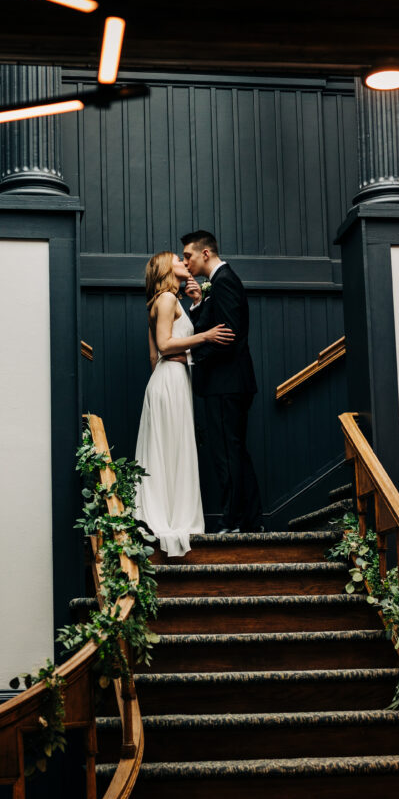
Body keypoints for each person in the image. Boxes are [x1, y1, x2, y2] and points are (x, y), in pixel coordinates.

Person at [135, 251, 235, 557]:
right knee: (173, 447)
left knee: (168, 448)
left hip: (167, 380)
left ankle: (166, 512)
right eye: (177, 259)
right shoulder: (165, 299)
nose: (183, 260)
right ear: (167, 268)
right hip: (172, 381)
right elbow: (165, 345)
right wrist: (205, 336)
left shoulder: (162, 300)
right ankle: (171, 516)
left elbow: (155, 356)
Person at [181, 230, 263, 533]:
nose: (184, 261)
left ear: (205, 254)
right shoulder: (217, 283)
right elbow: (215, 326)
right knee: (235, 451)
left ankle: (233, 523)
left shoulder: (225, 280)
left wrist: (193, 356)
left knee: (227, 455)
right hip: (228, 383)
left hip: (225, 383)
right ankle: (251, 521)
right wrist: (200, 302)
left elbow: (229, 334)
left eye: (188, 255)